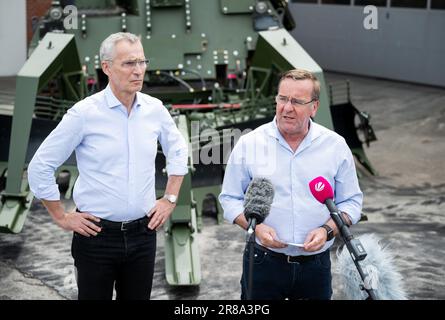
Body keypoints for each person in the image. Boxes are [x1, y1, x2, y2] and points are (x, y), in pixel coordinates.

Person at [27, 32, 188, 300]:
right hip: (96, 238)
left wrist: (170, 199)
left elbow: (179, 150)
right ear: (106, 68)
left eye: (142, 62)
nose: (138, 71)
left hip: (143, 235)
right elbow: (40, 165)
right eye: (128, 63)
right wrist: (61, 217)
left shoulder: (155, 109)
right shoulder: (84, 114)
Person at [219, 69, 363, 300]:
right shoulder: (250, 143)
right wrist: (255, 227)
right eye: (282, 98)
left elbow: (351, 202)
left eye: (296, 101)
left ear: (314, 107)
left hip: (315, 267)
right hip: (263, 261)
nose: (287, 108)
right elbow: (229, 199)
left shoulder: (335, 146)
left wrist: (326, 230)